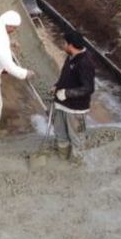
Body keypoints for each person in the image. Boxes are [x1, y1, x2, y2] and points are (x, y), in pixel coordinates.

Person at [0, 9, 34, 129]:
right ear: (8, 25)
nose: (13, 31)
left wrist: (10, 43)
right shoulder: (1, 38)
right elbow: (8, 65)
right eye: (13, 28)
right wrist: (25, 73)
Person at [50, 31, 96, 163]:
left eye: (64, 43)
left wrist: (66, 93)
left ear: (70, 45)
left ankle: (77, 162)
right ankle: (63, 157)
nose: (62, 45)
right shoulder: (70, 57)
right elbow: (65, 76)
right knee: (60, 133)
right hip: (61, 105)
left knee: (76, 137)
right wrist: (57, 86)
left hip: (75, 109)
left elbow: (89, 88)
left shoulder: (85, 62)